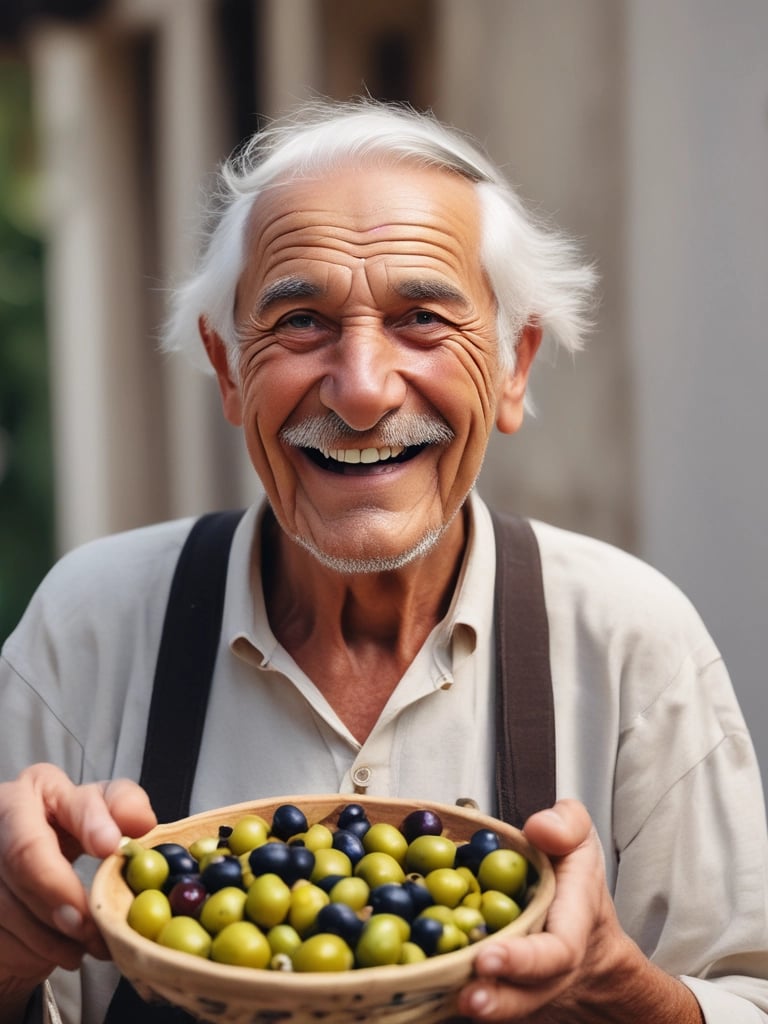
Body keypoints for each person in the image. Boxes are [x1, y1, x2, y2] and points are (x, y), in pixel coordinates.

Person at [1, 97, 767, 1024]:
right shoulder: (90, 628)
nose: (362, 393)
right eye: (301, 323)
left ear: (516, 365)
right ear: (230, 370)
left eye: (422, 320)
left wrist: (617, 985)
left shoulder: (631, 640)